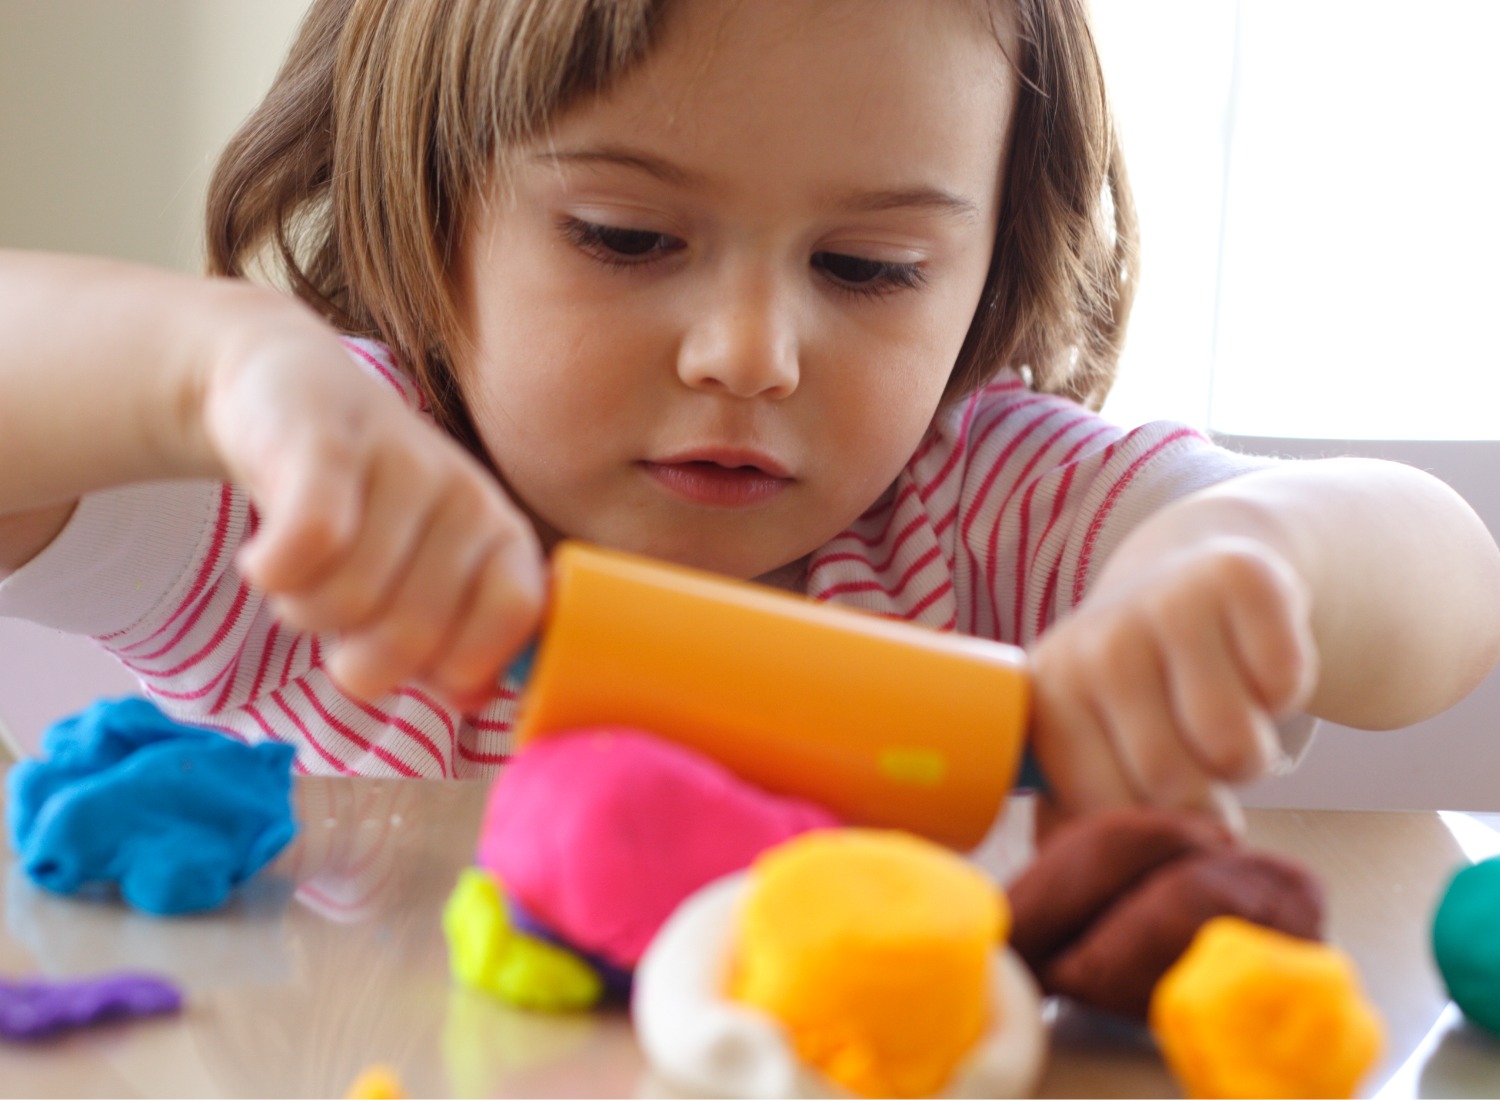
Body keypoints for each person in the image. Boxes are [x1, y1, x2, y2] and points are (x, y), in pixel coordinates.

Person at [1, 0, 1497, 829]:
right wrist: (217, 370)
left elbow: (1448, 576)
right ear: (433, 212)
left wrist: (1247, 561)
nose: (751, 352)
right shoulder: (325, 518)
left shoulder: (981, 520)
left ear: (982, 279)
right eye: (628, 239)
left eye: (868, 267)